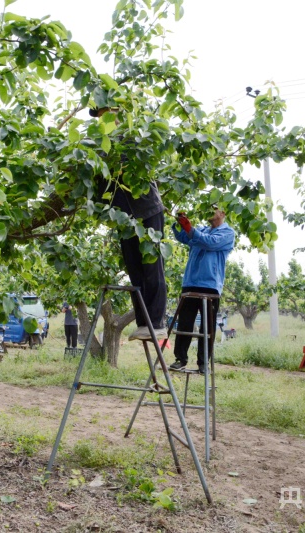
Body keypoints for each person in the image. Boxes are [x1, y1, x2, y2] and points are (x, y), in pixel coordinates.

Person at [90, 107, 168, 341]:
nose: (103, 118)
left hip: (147, 209)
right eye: (99, 115)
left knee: (152, 267)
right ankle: (144, 323)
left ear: (117, 112)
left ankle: (157, 322)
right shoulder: (99, 144)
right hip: (124, 218)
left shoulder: (133, 136)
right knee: (134, 269)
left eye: (107, 112)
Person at [169, 205, 236, 374]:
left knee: (208, 327)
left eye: (214, 208)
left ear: (222, 213)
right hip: (190, 282)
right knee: (184, 323)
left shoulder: (227, 233)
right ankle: (180, 359)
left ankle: (203, 363)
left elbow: (209, 243)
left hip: (210, 286)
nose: (209, 211)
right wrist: (178, 224)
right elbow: (184, 237)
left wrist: (191, 229)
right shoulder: (202, 230)